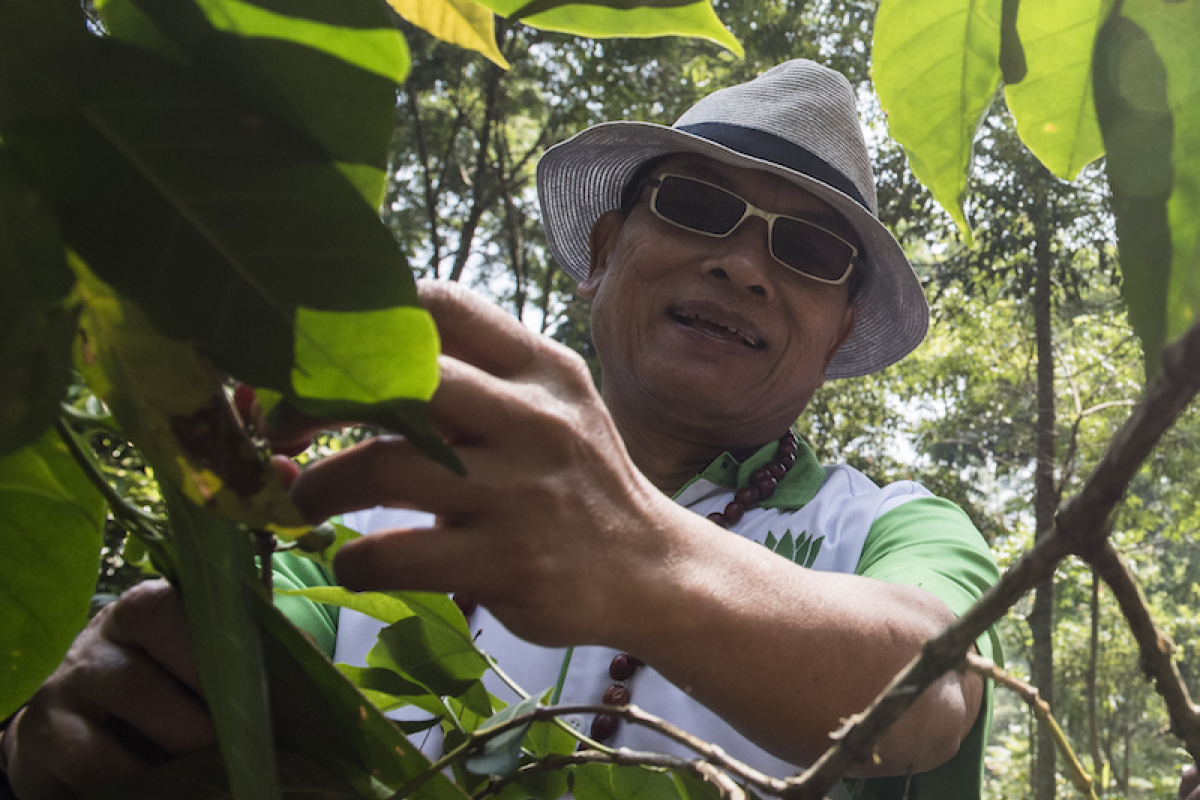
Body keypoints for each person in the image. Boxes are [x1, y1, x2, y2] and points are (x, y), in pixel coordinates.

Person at [0, 60, 1001, 800]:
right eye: (698, 205)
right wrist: (110, 714)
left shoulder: (888, 531)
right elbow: (235, 667)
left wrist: (632, 554)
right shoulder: (382, 499)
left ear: (835, 338)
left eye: (811, 250)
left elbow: (924, 687)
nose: (744, 267)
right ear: (604, 250)